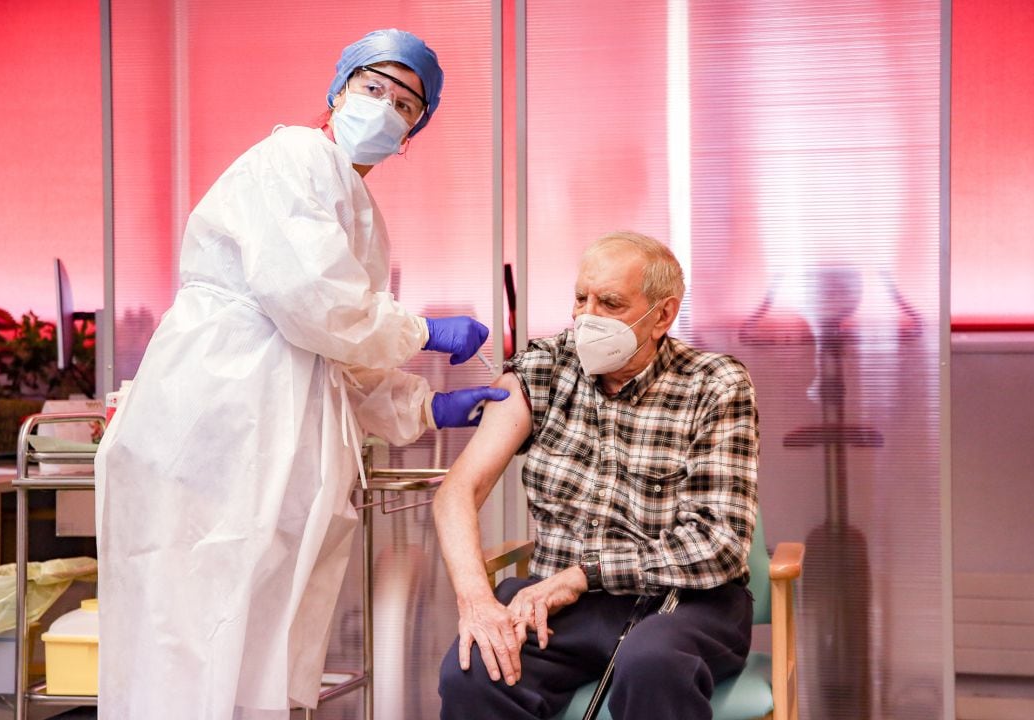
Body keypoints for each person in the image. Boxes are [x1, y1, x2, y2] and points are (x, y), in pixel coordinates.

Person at [94, 29, 508, 720]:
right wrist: (423, 331)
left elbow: (333, 353)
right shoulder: (295, 157)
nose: (385, 108)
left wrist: (423, 408)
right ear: (339, 89)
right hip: (216, 418)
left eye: (406, 104)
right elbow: (314, 303)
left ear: (413, 131)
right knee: (189, 643)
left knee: (249, 648)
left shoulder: (356, 205)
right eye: (374, 88)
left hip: (265, 439)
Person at [434, 231, 759, 720]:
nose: (587, 317)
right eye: (580, 298)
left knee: (652, 666)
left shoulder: (714, 384)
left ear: (663, 316)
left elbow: (720, 543)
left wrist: (585, 575)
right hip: (560, 607)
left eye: (610, 303)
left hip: (684, 602)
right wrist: (477, 603)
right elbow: (459, 490)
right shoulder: (544, 369)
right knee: (476, 671)